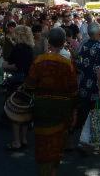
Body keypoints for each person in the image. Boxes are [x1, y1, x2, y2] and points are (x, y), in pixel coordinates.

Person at [24, 27, 78, 176]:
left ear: (49, 43)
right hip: (62, 109)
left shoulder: (39, 61)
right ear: (63, 43)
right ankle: (53, 171)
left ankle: (45, 171)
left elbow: (29, 85)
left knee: (42, 142)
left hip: (42, 108)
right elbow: (74, 90)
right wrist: (74, 111)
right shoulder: (67, 63)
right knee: (58, 142)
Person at [75, 22, 100, 151]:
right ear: (98, 33)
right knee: (99, 113)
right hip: (96, 86)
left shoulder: (83, 45)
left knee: (86, 113)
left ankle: (84, 141)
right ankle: (97, 144)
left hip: (84, 86)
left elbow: (78, 65)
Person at [3, 25, 35, 150]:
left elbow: (15, 66)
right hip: (28, 80)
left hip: (17, 80)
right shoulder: (29, 48)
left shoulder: (18, 48)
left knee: (15, 111)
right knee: (26, 110)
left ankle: (16, 141)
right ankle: (24, 138)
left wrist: (5, 66)